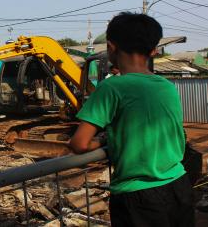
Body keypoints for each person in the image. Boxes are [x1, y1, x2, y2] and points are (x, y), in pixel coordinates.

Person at [69, 12, 194, 226]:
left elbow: (79, 144)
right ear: (154, 50)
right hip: (178, 185)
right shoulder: (166, 86)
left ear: (110, 47)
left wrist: (103, 141)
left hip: (138, 197)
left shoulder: (111, 87)